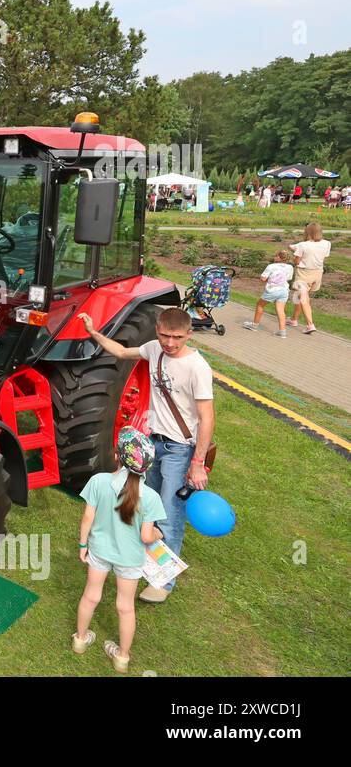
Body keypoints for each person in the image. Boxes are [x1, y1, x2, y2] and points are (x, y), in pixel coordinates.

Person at [78, 307, 214, 603]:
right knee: (147, 507)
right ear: (157, 331)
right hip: (152, 443)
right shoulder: (154, 349)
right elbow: (123, 352)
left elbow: (207, 417)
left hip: (180, 448)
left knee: (168, 514)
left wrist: (197, 463)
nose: (171, 343)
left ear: (189, 334)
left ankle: (163, 584)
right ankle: (141, 561)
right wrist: (93, 333)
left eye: (178, 337)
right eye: (165, 335)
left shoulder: (197, 367)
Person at [73, 427, 166, 674]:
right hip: (130, 559)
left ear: (117, 456)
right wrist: (158, 534)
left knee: (91, 595)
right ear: (147, 467)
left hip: (99, 552)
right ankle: (122, 657)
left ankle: (80, 639)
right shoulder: (151, 497)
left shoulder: (98, 481)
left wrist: (83, 545)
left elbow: (87, 518)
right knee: (125, 607)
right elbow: (147, 536)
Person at [289, 222, 331, 335]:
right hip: (317, 273)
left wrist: (295, 255)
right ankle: (294, 319)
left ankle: (310, 324)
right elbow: (323, 255)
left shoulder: (303, 245)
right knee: (301, 296)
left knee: (303, 299)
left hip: (303, 273)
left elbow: (297, 261)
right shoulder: (327, 243)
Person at [243, 249, 293, 336]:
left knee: (260, 305)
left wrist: (267, 279)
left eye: (276, 255)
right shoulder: (290, 267)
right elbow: (288, 278)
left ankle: (254, 325)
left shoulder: (271, 266)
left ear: (279, 257)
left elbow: (263, 278)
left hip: (272, 290)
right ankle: (282, 331)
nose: (274, 257)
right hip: (284, 290)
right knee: (280, 310)